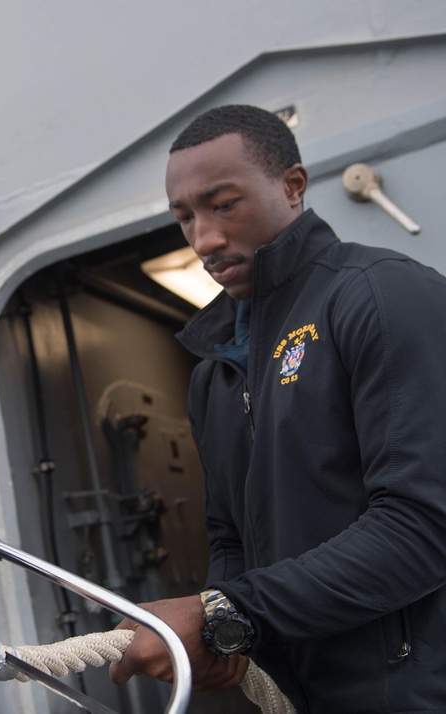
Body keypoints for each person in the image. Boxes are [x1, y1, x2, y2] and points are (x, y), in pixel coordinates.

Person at [107, 104, 446, 712]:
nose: (204, 239)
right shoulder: (214, 369)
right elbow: (228, 538)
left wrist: (226, 612)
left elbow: (424, 526)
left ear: (292, 186)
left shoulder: (380, 294)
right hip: (293, 694)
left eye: (223, 204)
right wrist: (228, 634)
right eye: (184, 218)